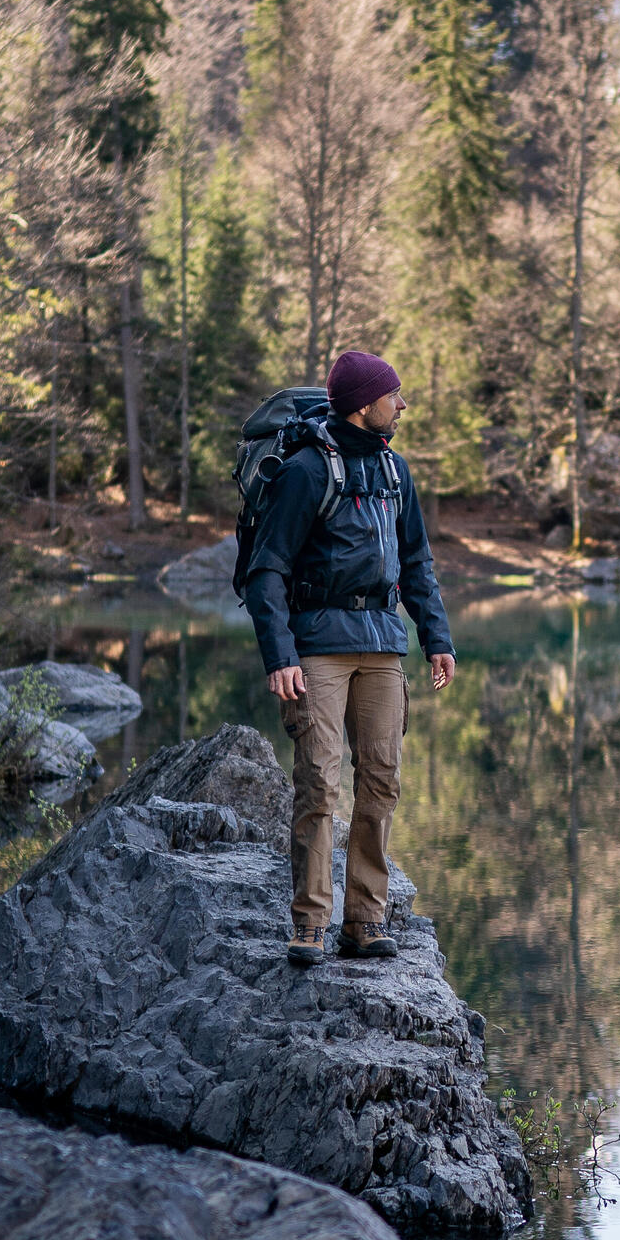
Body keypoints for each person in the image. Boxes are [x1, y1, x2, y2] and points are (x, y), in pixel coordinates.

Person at [240, 349, 457, 965]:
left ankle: (364, 919)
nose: (403, 403)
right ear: (364, 405)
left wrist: (436, 638)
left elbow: (416, 563)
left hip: (384, 648)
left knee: (381, 780)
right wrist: (280, 653)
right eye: (394, 394)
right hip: (318, 652)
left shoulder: (395, 471)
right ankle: (310, 923)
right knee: (317, 784)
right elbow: (267, 570)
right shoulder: (308, 472)